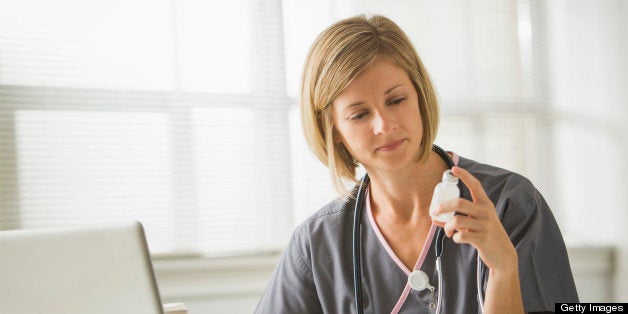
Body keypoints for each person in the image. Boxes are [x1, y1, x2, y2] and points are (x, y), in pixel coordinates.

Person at [255, 15, 578, 313]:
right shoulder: (318, 243)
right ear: (333, 130)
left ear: (420, 96)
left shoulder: (510, 204)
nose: (385, 125)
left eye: (396, 100)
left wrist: (503, 269)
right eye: (359, 114)